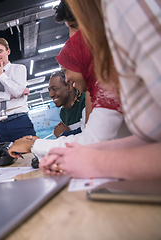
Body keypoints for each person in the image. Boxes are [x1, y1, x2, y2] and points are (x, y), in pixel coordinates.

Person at [39, 0, 161, 180]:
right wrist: (85, 155)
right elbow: (151, 139)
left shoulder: (123, 8)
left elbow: (93, 138)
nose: (72, 38)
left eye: (74, 26)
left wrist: (96, 160)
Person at [8, 29, 124, 160]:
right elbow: (84, 135)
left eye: (66, 70)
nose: (67, 78)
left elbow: (91, 143)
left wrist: (33, 145)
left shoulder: (107, 88)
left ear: (81, 62)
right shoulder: (97, 92)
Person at [0, 38, 36, 142]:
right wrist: (9, 96)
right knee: (5, 156)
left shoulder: (19, 68)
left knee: (29, 153)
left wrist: (1, 75)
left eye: (0, 51)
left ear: (8, 51)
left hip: (19, 120)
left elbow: (17, 92)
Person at [48, 70, 85, 138]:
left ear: (69, 86)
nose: (51, 95)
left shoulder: (85, 102)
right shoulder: (63, 113)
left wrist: (64, 134)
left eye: (54, 89)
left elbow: (89, 135)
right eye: (49, 90)